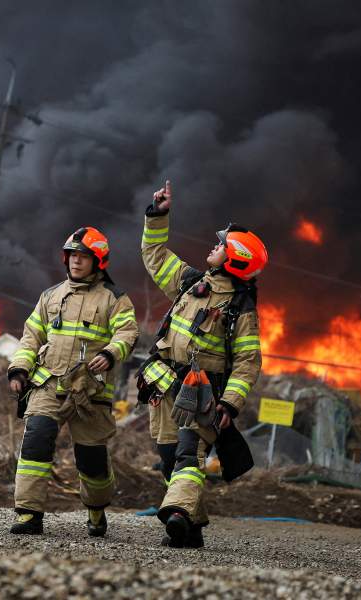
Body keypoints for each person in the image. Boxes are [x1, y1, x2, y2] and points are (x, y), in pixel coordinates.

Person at [139, 180, 266, 548]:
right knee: (168, 459)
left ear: (235, 258)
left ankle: (176, 516)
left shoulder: (241, 310)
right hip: (164, 385)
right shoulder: (192, 283)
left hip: (203, 395)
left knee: (187, 456)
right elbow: (155, 255)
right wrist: (158, 216)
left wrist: (230, 403)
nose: (214, 246)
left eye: (221, 245)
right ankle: (191, 527)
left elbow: (247, 363)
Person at [7, 226, 139, 536]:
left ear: (98, 261)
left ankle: (96, 510)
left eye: (83, 257)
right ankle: (28, 514)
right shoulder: (51, 296)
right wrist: (19, 369)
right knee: (35, 441)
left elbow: (128, 332)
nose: (76, 262)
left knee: (91, 460)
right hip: (48, 384)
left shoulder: (114, 299)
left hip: (89, 392)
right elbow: (31, 336)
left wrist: (109, 353)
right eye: (72, 256)